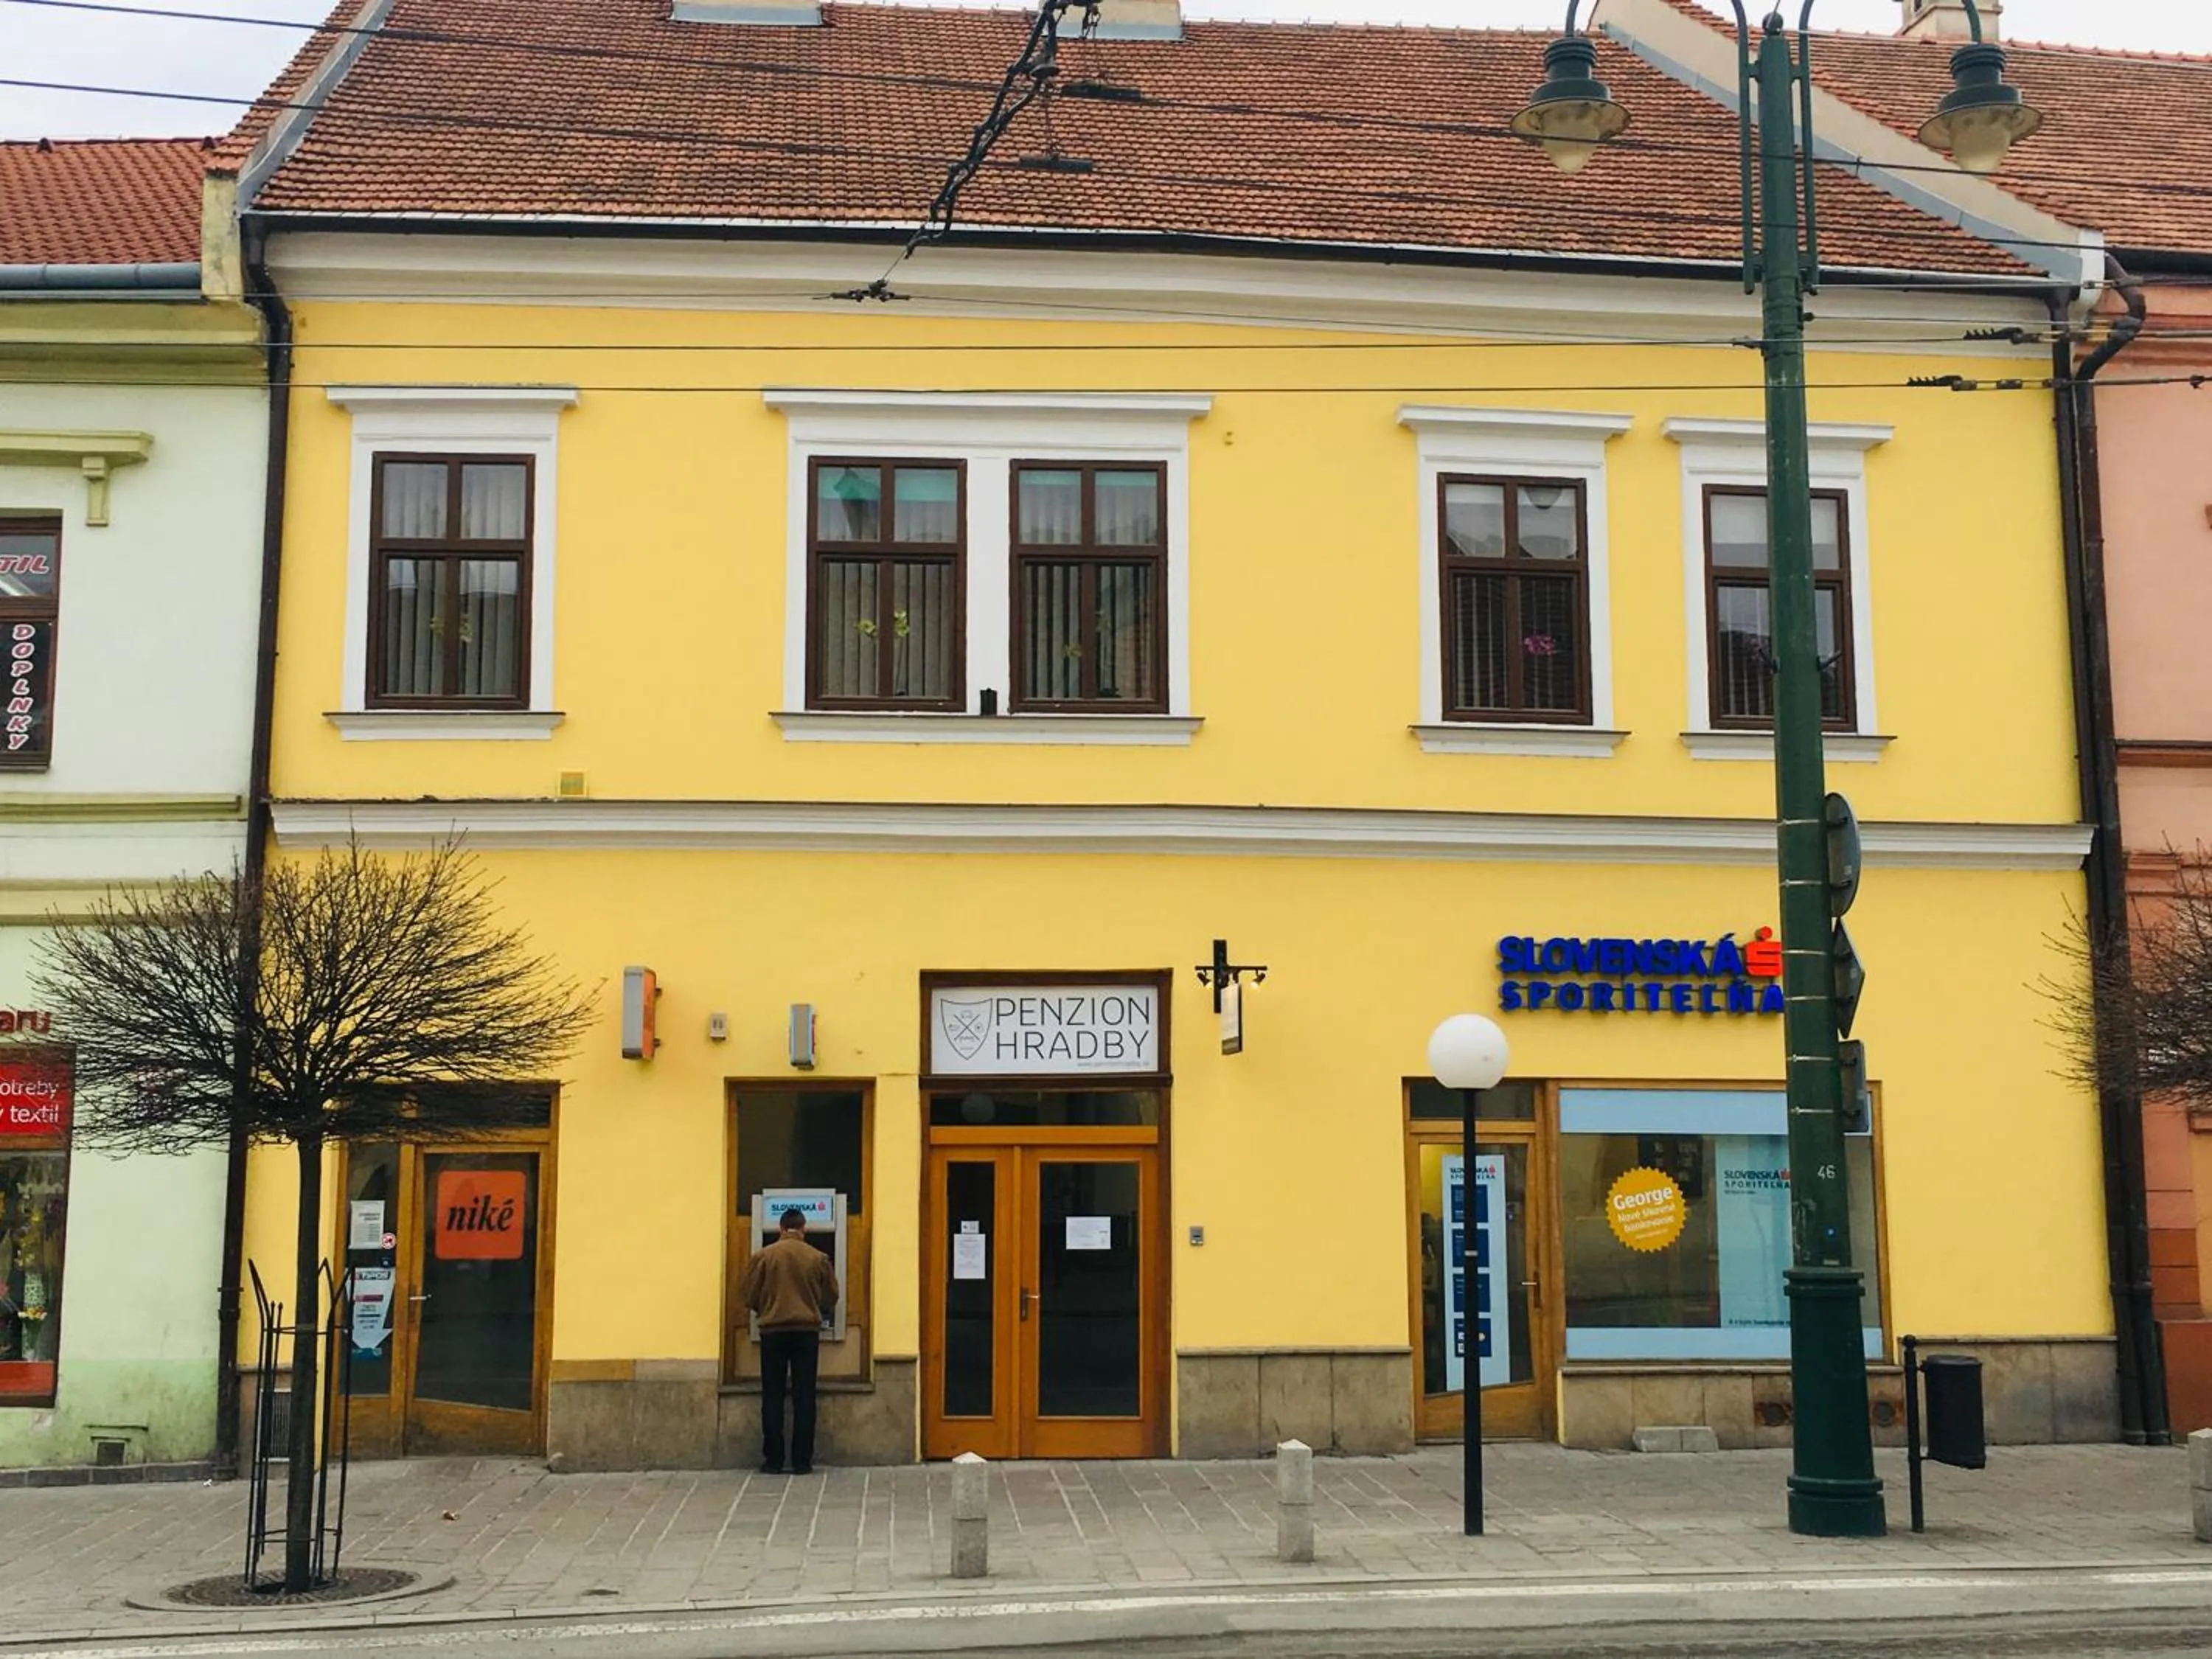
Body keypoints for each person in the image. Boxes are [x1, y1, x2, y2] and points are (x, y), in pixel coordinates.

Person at [740, 1206, 841, 1475]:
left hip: (772, 1333)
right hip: (806, 1332)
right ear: (804, 1229)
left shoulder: (763, 1256)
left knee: (772, 1395)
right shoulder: (818, 1257)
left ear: (781, 1229)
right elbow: (832, 1296)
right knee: (804, 1396)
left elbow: (748, 1295)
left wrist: (767, 1306)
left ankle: (773, 1460)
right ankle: (802, 1461)